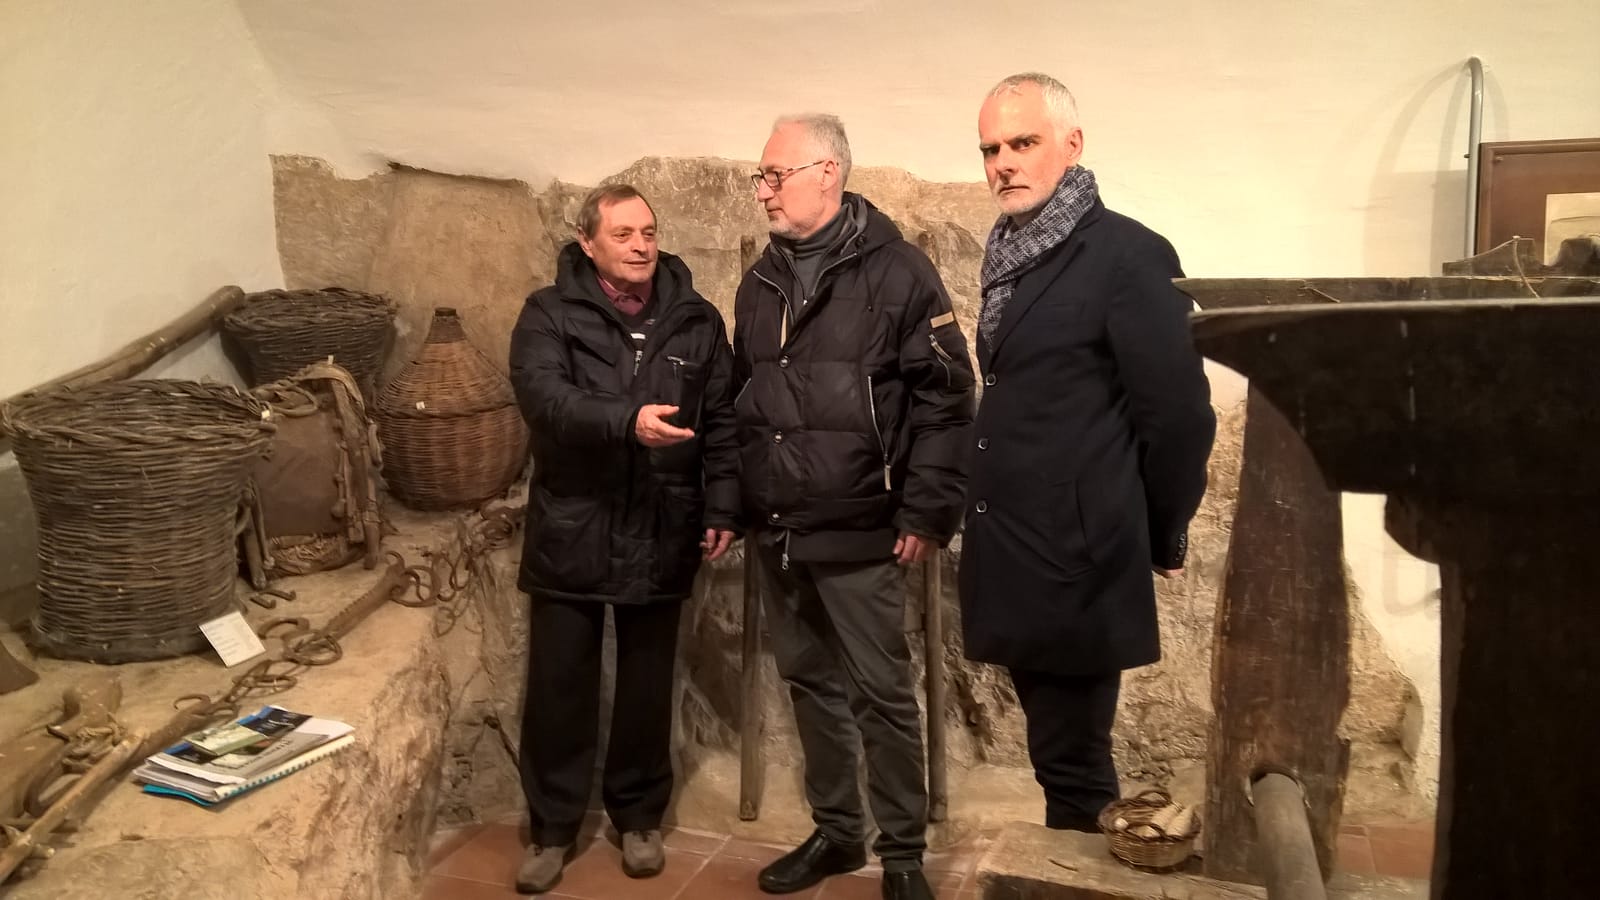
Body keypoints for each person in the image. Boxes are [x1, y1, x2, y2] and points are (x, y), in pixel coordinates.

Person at [958, 72, 1217, 833]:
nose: (1003, 162)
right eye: (990, 149)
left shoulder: (1129, 255)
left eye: (1022, 142)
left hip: (1079, 552)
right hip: (1019, 543)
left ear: (1071, 144)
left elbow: (1177, 414)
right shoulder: (1013, 251)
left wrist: (1161, 531)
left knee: (1075, 767)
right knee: (1059, 758)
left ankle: (1074, 871)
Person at [732, 113, 976, 900]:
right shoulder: (760, 282)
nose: (764, 190)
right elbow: (744, 402)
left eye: (776, 175)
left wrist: (926, 511)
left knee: (882, 694)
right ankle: (838, 833)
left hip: (864, 525)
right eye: (762, 177)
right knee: (810, 685)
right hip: (781, 527)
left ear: (828, 174)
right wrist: (737, 502)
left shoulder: (898, 272)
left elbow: (947, 398)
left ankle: (902, 853)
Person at [507, 184, 740, 894]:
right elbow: (544, 399)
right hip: (574, 521)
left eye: (649, 232)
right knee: (560, 684)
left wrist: (723, 505)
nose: (641, 246)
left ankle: (638, 818)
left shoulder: (697, 320)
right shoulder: (548, 313)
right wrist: (627, 421)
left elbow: (723, 420)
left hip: (661, 520)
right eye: (623, 234)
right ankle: (552, 829)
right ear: (588, 243)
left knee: (646, 682)